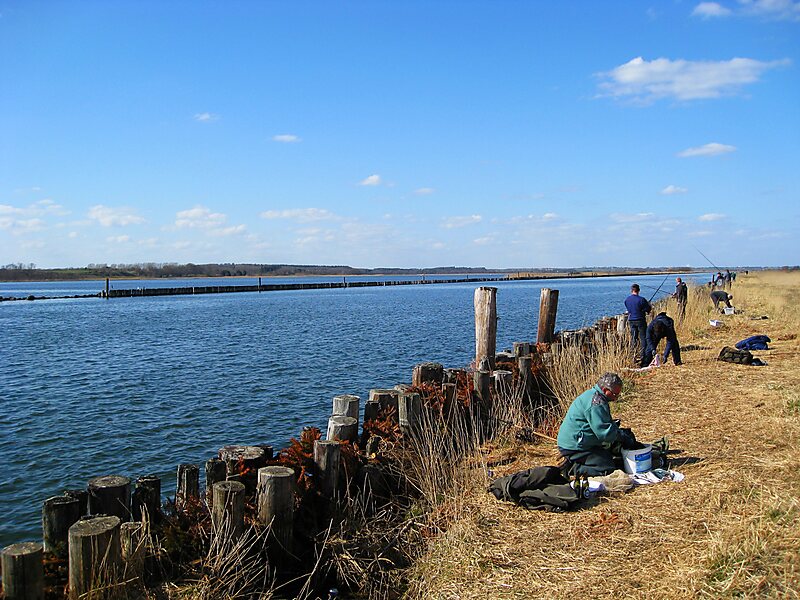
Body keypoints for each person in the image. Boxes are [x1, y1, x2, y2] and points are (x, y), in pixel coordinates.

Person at [557, 373, 634, 477]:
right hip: (575, 445)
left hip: (580, 440)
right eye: (615, 395)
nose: (616, 398)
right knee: (607, 468)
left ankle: (578, 461)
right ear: (606, 390)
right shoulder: (596, 404)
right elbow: (604, 433)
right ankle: (572, 468)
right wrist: (621, 437)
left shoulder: (593, 394)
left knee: (610, 457)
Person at [624, 284, 651, 362]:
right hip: (640, 320)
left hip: (631, 320)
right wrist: (647, 306)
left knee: (633, 338)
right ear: (639, 290)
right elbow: (648, 309)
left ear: (631, 290)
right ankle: (643, 355)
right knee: (643, 338)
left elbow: (629, 308)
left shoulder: (627, 300)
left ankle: (633, 355)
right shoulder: (642, 299)